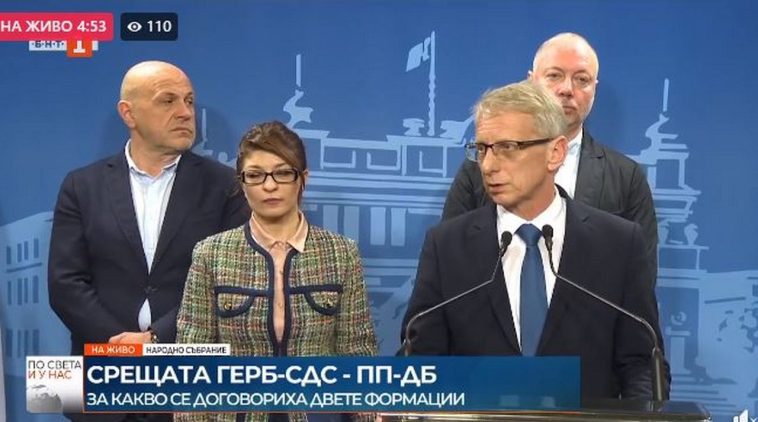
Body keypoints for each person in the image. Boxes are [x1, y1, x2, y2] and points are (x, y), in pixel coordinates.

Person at [403, 81, 669, 400]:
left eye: (507, 148)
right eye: (482, 149)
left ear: (555, 153)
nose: (488, 165)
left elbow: (641, 365)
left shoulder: (618, 244)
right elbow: (420, 361)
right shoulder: (447, 246)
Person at [48, 61, 249, 421]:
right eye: (168, 100)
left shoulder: (226, 186)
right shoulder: (82, 186)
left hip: (189, 383)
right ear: (128, 113)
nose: (185, 112)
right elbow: (66, 284)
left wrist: (156, 341)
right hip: (99, 380)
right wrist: (121, 347)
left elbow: (230, 283)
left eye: (189, 101)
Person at [175, 121, 377, 422]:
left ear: (303, 178)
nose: (269, 186)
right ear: (242, 183)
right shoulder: (211, 254)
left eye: (282, 173)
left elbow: (357, 356)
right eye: (255, 175)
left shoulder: (341, 253)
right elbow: (192, 364)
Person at [442, 32, 658, 283]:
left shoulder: (625, 177)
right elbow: (451, 259)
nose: (567, 89)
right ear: (531, 81)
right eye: (554, 76)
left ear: (594, 89)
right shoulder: (481, 167)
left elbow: (639, 281)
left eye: (582, 79)